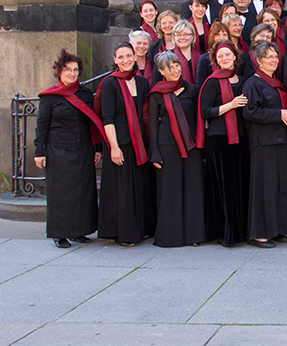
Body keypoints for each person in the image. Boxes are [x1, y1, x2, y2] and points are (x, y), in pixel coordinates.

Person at [35, 49, 106, 248]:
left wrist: (97, 148)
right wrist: (39, 151)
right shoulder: (49, 97)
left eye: (75, 70)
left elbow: (92, 122)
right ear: (59, 71)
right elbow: (42, 125)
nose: (72, 73)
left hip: (83, 149)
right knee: (60, 194)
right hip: (58, 151)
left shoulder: (84, 93)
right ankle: (60, 234)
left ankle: (79, 231)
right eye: (68, 70)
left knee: (83, 192)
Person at [96, 42, 155, 246]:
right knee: (123, 189)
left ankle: (142, 228)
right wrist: (113, 147)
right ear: (114, 60)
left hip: (139, 142)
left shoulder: (142, 83)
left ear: (134, 56)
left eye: (128, 56)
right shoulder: (109, 84)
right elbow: (108, 118)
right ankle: (123, 233)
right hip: (119, 142)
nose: (125, 60)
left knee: (139, 186)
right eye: (120, 57)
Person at [242, 42, 287, 248]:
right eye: (269, 57)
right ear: (258, 61)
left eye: (276, 56)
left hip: (280, 140)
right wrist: (278, 114)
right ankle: (259, 233)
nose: (274, 60)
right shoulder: (253, 83)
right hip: (263, 142)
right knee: (264, 188)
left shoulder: (275, 82)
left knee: (279, 187)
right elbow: (250, 112)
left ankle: (275, 229)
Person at [147, 51, 205, 247]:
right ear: (162, 71)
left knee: (192, 189)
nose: (175, 70)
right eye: (170, 67)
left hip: (191, 146)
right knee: (169, 191)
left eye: (177, 65)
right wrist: (154, 151)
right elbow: (153, 124)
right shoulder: (156, 93)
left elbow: (199, 119)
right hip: (167, 146)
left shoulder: (192, 89)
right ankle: (170, 236)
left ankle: (193, 235)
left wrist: (201, 146)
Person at [198, 40, 249, 247]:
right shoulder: (211, 82)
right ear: (215, 61)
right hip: (219, 140)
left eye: (228, 55)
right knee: (224, 188)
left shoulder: (244, 80)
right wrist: (230, 105)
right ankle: (225, 232)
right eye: (220, 56)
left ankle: (241, 231)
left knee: (240, 185)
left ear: (235, 57)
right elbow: (205, 112)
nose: (224, 58)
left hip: (241, 138)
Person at [150, 20, 200, 85]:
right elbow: (156, 83)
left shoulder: (201, 57)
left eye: (186, 34)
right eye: (178, 35)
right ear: (174, 37)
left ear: (193, 36)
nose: (182, 38)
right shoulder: (164, 58)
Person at [195, 21, 230, 87]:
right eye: (218, 35)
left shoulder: (232, 57)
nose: (222, 38)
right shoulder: (204, 59)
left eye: (225, 35)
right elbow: (200, 85)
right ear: (212, 37)